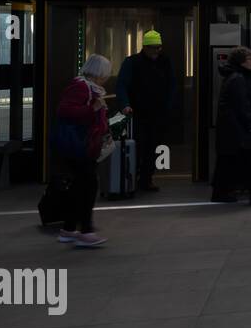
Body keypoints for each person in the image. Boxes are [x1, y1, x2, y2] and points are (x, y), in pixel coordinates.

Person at [50, 55, 112, 248]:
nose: (107, 77)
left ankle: (69, 229)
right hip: (80, 147)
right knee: (88, 187)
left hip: (81, 146)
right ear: (100, 72)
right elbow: (65, 111)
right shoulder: (82, 87)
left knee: (80, 187)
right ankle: (85, 230)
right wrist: (93, 109)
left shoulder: (88, 87)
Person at [211, 46, 251, 205]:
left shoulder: (235, 77)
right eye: (249, 59)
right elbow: (242, 106)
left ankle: (221, 192)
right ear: (241, 62)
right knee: (247, 161)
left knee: (228, 162)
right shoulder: (238, 79)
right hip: (237, 130)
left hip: (231, 129)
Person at [116, 29, 177, 192]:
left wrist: (168, 107)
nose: (155, 51)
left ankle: (145, 178)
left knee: (151, 146)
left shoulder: (157, 62)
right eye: (152, 47)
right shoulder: (135, 63)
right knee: (140, 145)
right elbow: (122, 85)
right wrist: (125, 105)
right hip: (139, 112)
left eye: (157, 47)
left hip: (154, 112)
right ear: (145, 47)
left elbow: (172, 86)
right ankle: (137, 177)